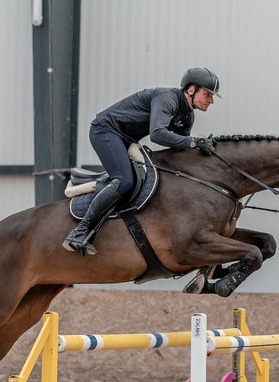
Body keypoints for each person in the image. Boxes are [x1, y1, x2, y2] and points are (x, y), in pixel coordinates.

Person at [62, 66, 222, 255]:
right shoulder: (167, 99)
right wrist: (195, 141)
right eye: (208, 94)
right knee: (125, 181)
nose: (211, 101)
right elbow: (157, 134)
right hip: (105, 131)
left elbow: (181, 148)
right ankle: (80, 230)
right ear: (191, 89)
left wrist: (205, 150)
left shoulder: (187, 115)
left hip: (127, 140)